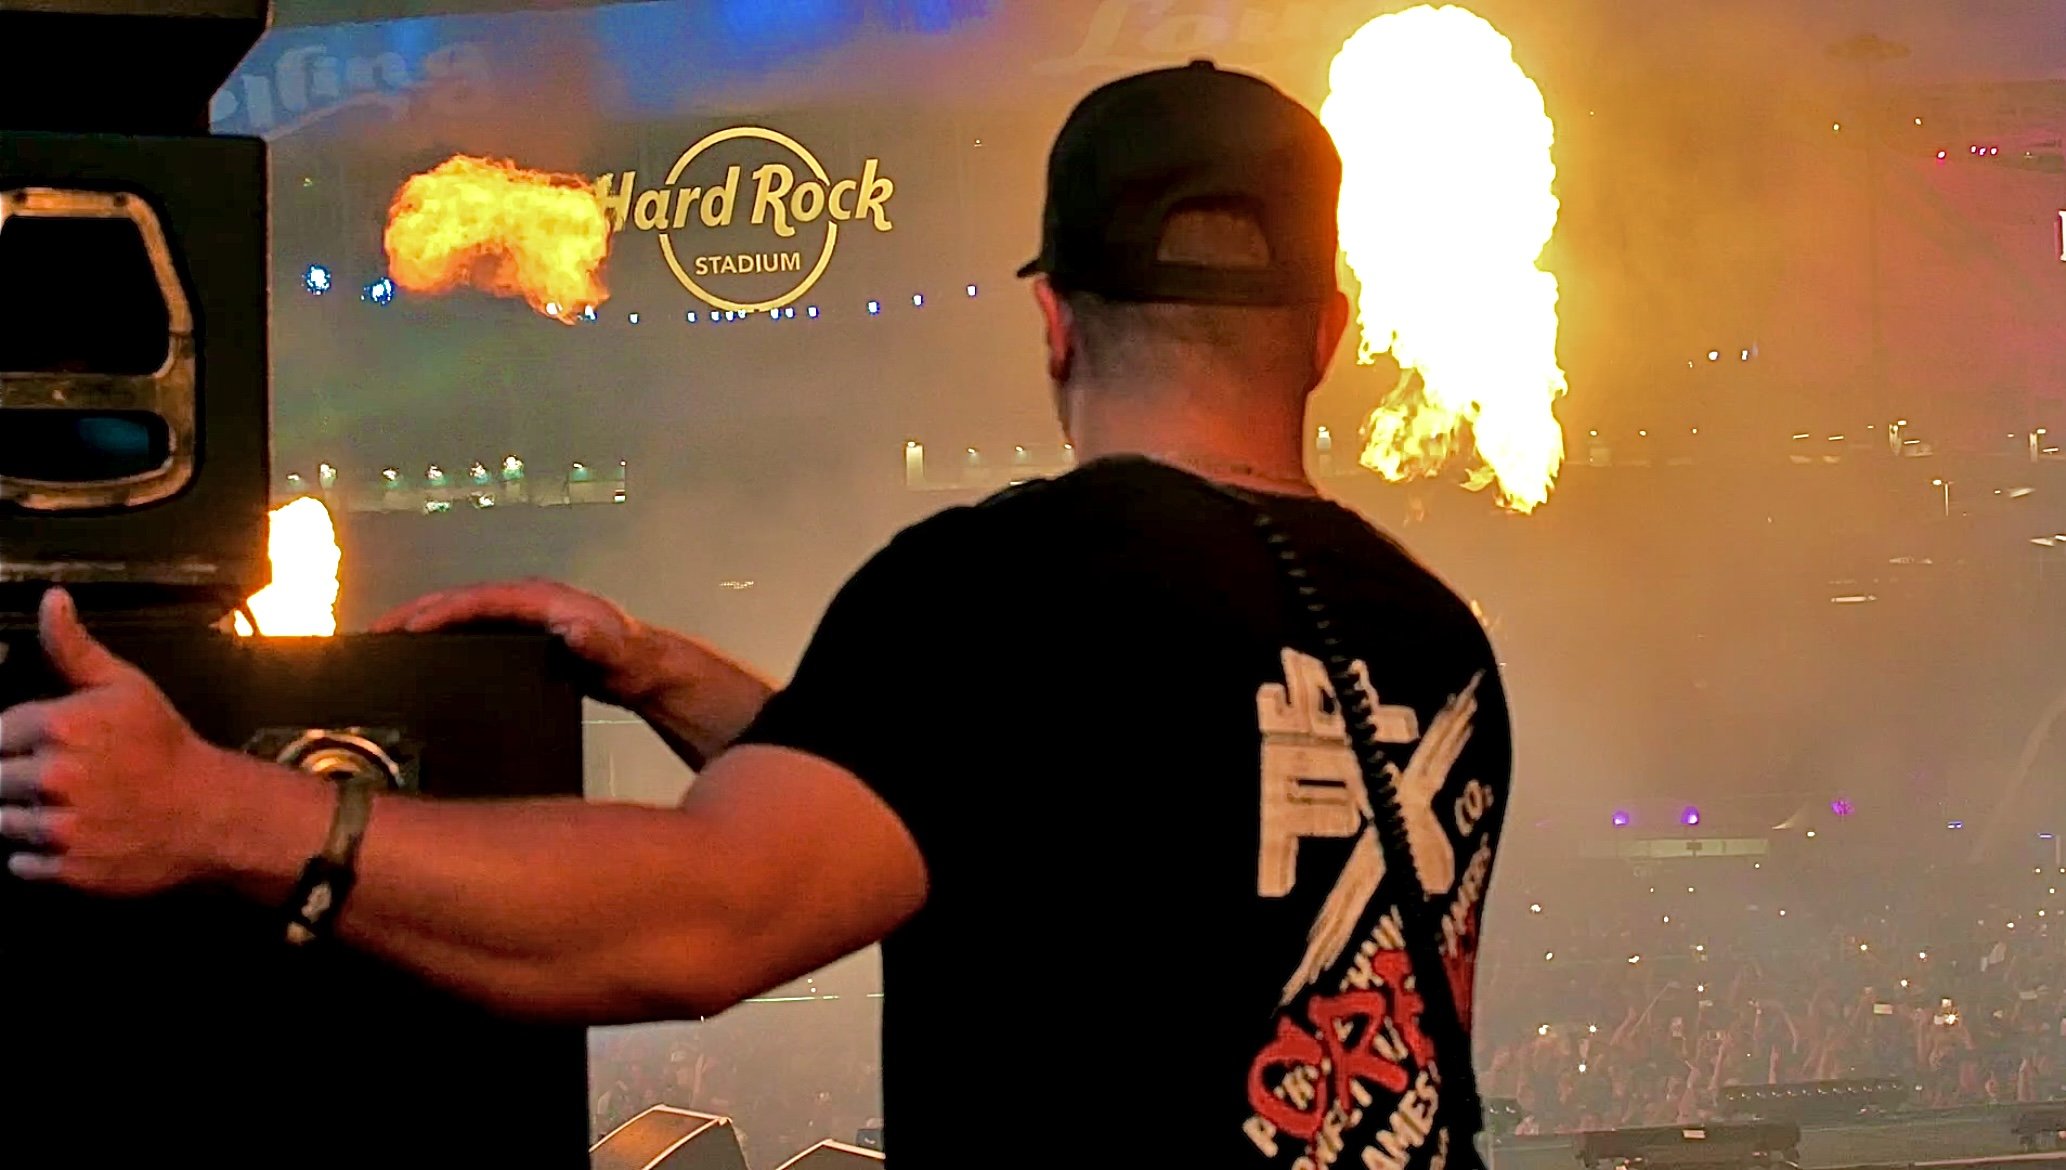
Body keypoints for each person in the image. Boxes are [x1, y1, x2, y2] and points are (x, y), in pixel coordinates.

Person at [0, 62, 1511, 1168]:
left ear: (1053, 319)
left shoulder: (1008, 587)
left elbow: (706, 919)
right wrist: (667, 673)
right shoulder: (1433, 638)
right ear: (1327, 332)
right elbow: (1031, 817)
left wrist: (223, 810)